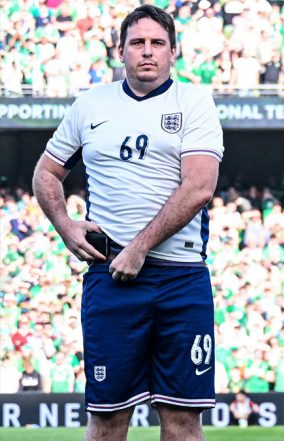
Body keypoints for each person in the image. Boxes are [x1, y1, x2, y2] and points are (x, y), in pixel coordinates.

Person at [31, 5, 223, 441]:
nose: (147, 52)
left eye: (157, 43)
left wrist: (139, 247)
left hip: (181, 278)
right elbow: (46, 173)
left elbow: (199, 187)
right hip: (110, 279)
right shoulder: (90, 104)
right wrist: (64, 224)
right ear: (120, 51)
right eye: (137, 43)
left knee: (182, 420)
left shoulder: (194, 102)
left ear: (174, 51)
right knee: (107, 418)